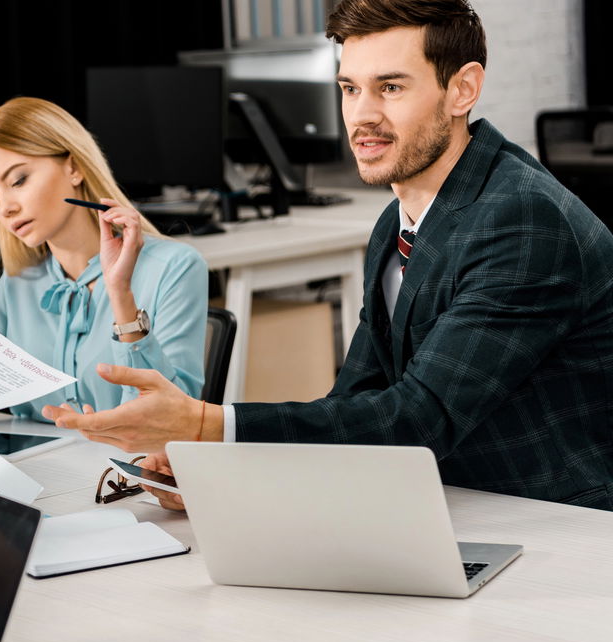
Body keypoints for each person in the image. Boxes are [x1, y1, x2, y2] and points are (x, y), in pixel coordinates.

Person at [44, 0, 613, 510]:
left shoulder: (522, 220)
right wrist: (222, 470)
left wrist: (206, 425)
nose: (362, 115)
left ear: (462, 89)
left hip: (554, 521)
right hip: (445, 502)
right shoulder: (399, 220)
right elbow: (358, 400)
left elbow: (417, 419)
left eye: (390, 87)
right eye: (349, 88)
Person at [0, 97, 209, 475]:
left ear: (73, 167)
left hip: (126, 479)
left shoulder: (173, 268)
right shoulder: (17, 284)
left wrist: (120, 292)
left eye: (18, 181)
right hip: (45, 476)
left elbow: (169, 419)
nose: (6, 207)